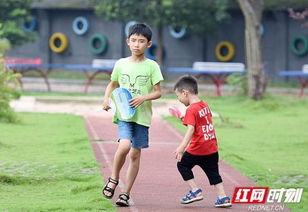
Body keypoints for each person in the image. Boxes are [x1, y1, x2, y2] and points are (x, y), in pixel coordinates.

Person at [101, 23, 164, 207]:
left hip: (142, 117)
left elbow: (158, 92)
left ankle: (125, 194)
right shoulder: (121, 64)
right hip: (124, 115)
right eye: (134, 40)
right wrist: (106, 100)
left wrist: (143, 98)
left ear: (149, 44)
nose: (137, 44)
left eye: (141, 41)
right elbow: (112, 85)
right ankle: (113, 178)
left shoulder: (152, 66)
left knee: (135, 155)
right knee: (125, 145)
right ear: (128, 42)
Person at [173, 75, 232, 208]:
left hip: (198, 148)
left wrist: (182, 147)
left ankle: (195, 191)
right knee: (213, 173)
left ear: (185, 93)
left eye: (178, 96)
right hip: (211, 147)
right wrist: (183, 118)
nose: (179, 100)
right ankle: (223, 197)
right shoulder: (204, 105)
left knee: (182, 165)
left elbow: (191, 130)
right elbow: (199, 123)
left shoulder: (190, 109)